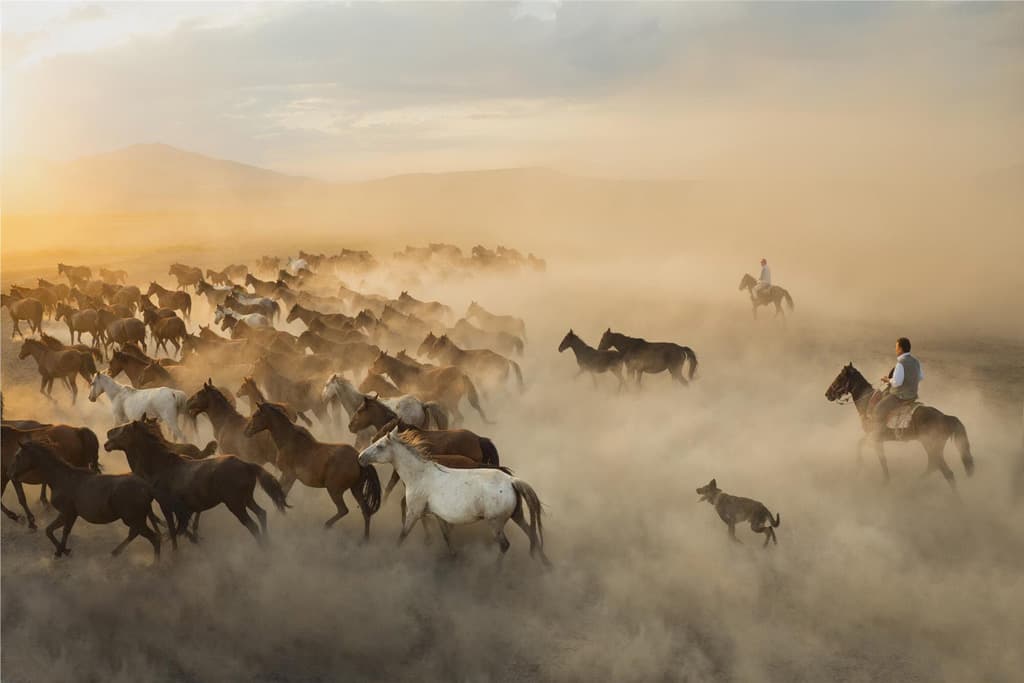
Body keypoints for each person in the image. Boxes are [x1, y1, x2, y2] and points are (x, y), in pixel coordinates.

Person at [870, 337, 923, 435]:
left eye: (896, 347)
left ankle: (879, 435)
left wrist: (887, 380)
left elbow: (896, 382)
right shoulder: (916, 361)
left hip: (900, 396)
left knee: (878, 409)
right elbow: (920, 377)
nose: (895, 349)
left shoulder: (900, 364)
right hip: (913, 395)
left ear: (901, 349)